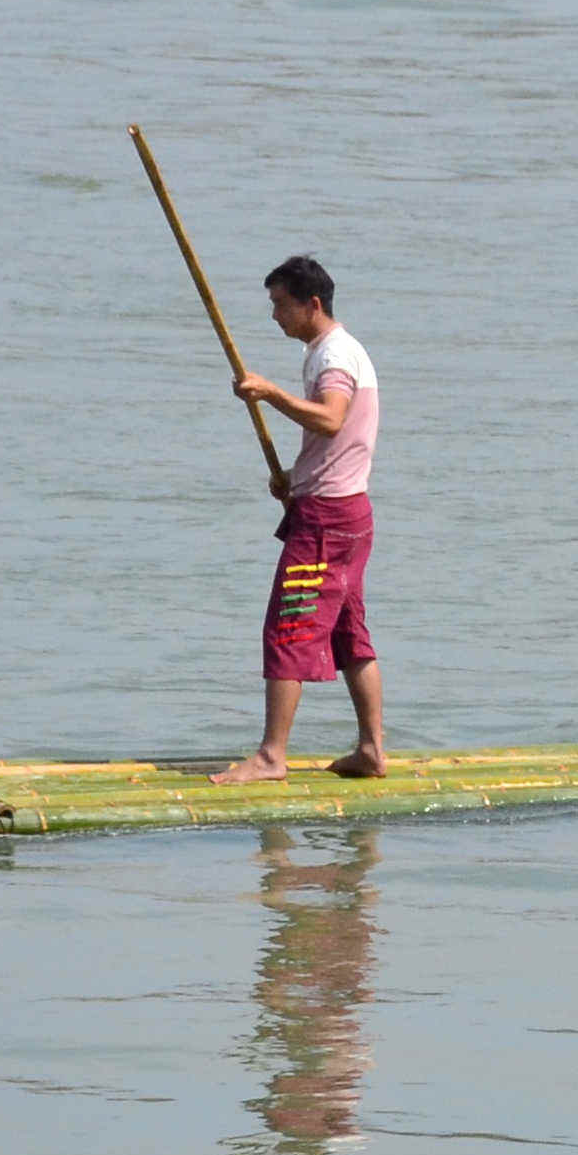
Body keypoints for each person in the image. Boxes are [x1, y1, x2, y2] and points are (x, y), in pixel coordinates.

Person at [218, 255, 387, 784]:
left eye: (280, 305)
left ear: (312, 304)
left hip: (327, 523)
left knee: (288, 627)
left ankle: (271, 756)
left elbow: (333, 420)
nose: (274, 316)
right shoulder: (338, 350)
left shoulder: (334, 356)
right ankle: (372, 749)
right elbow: (342, 438)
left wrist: (271, 394)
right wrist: (296, 475)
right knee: (347, 634)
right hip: (347, 511)